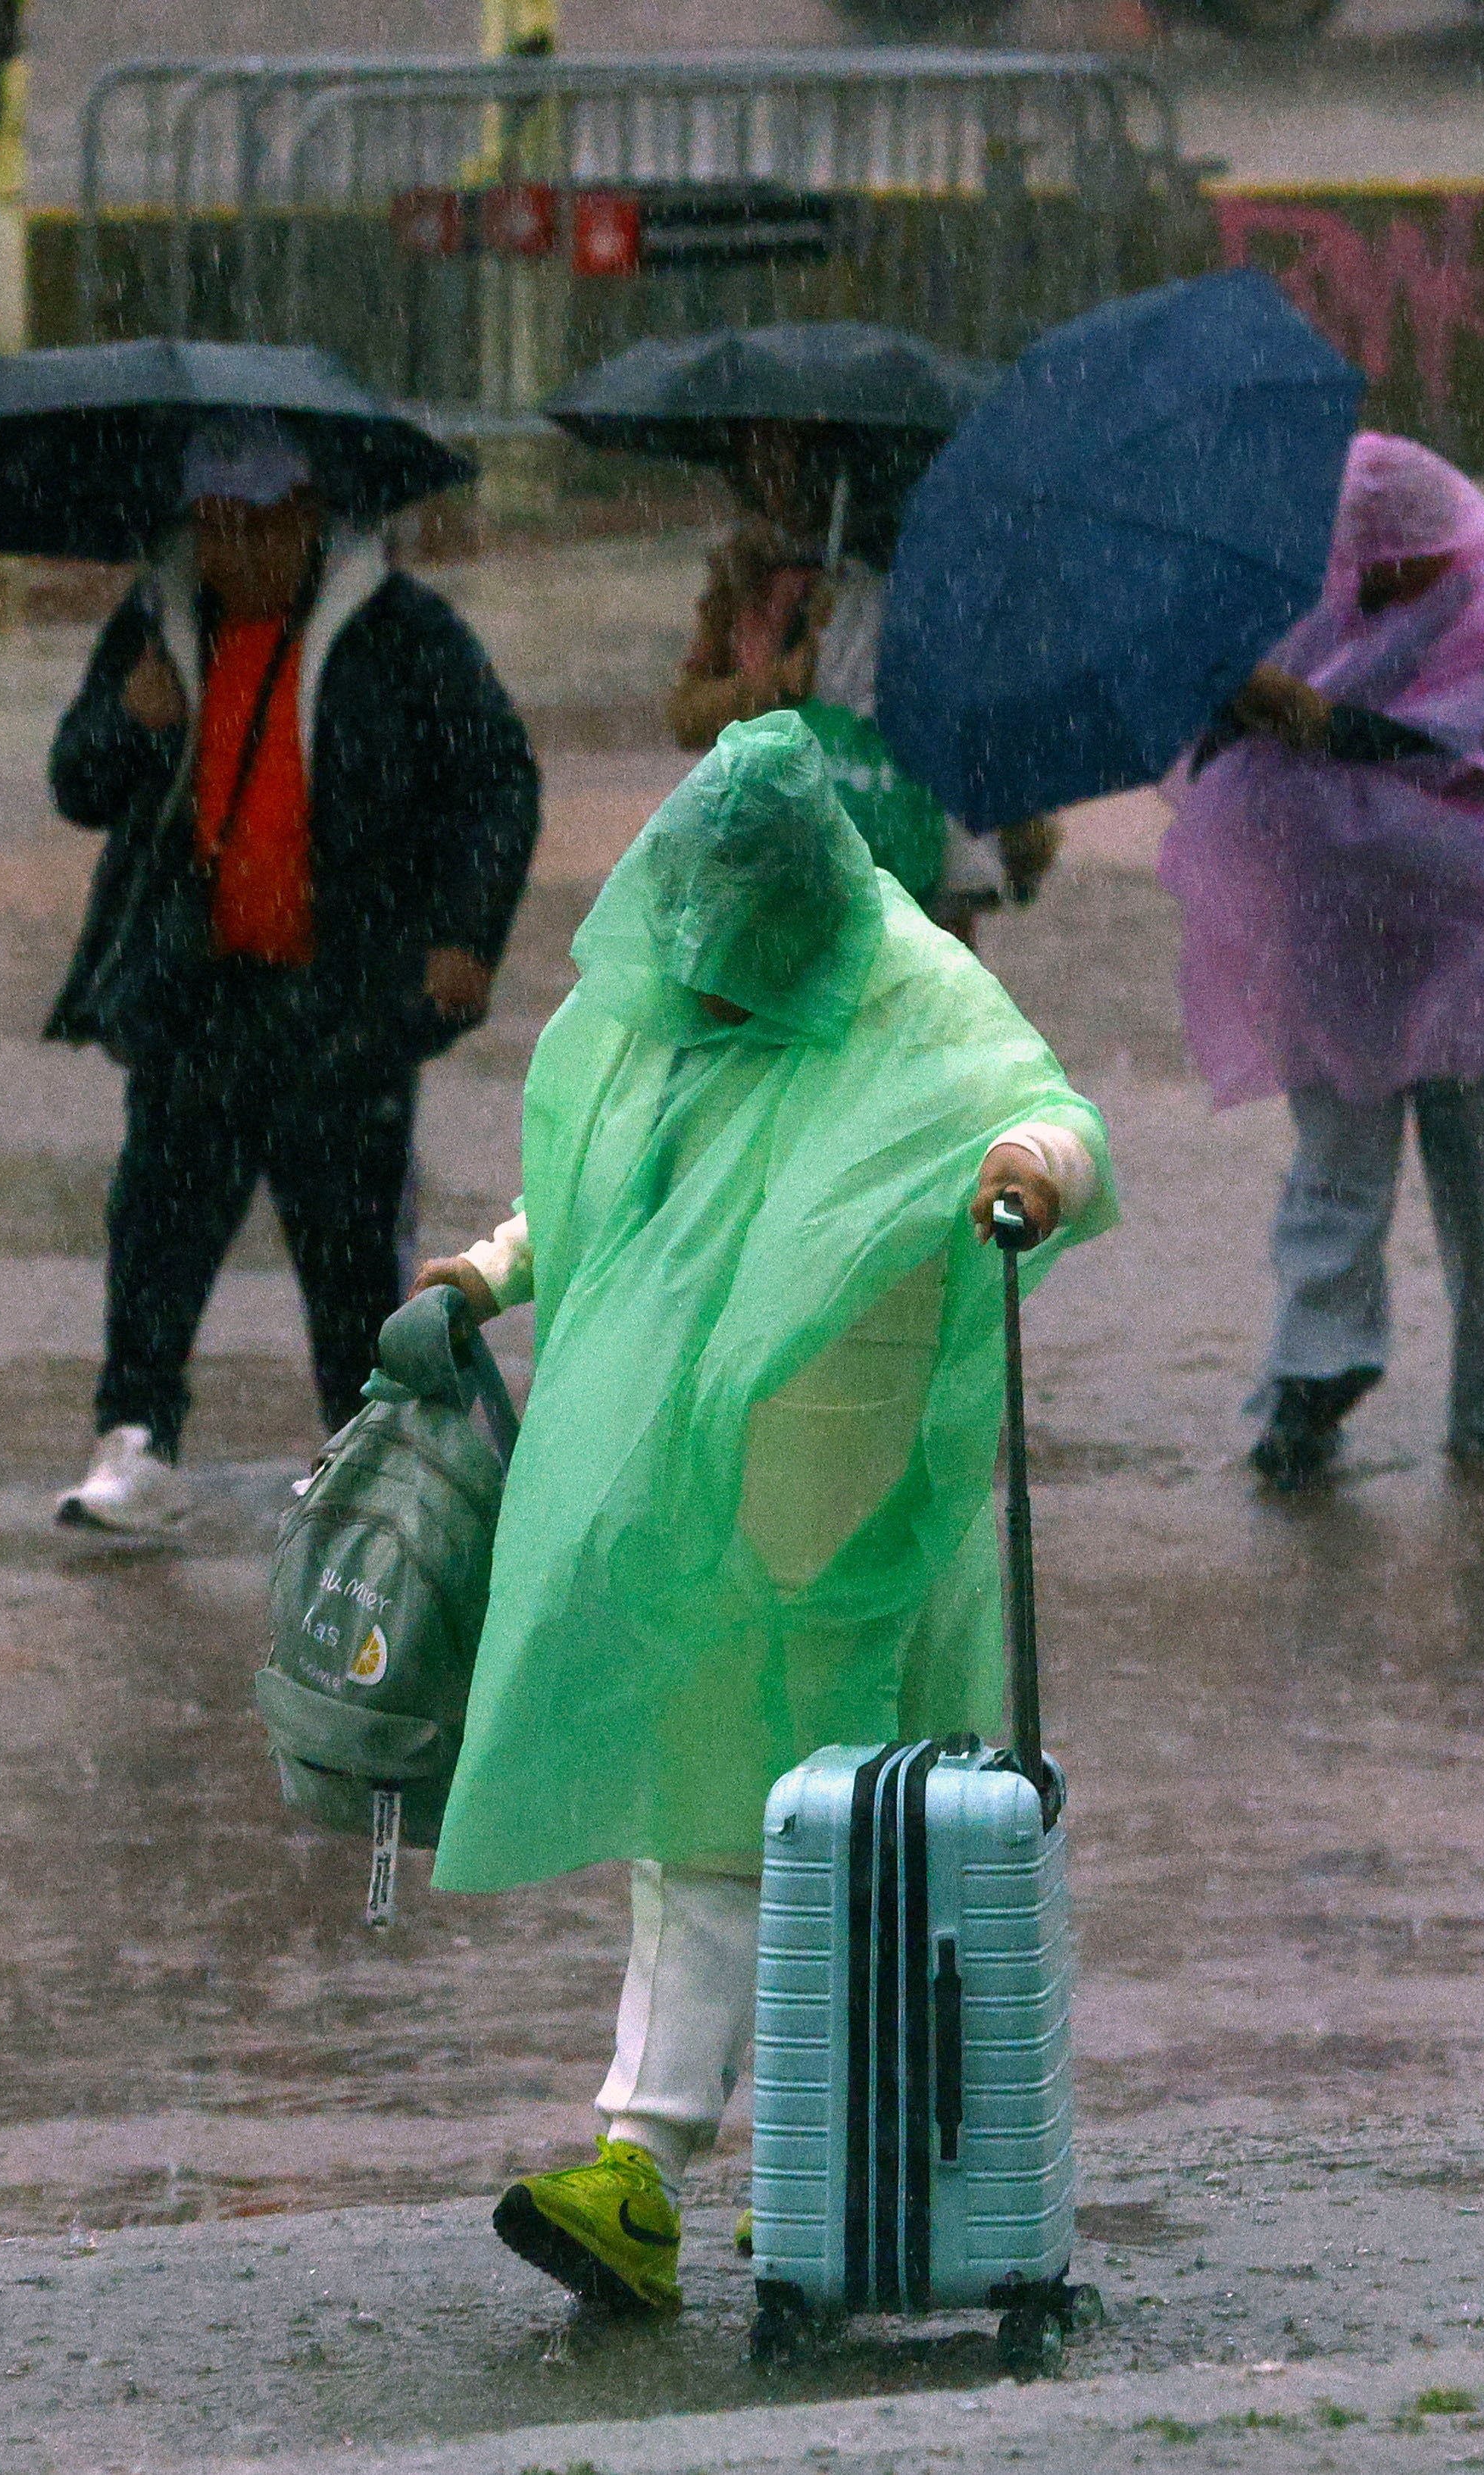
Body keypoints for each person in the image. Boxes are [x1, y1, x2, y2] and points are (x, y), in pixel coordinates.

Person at [407, 712, 1112, 2316]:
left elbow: (1046, 1108)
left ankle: (761, 2166)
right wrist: (482, 1273)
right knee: (721, 1819)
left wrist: (1023, 1167)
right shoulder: (674, 989)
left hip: (856, 1496)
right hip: (693, 1487)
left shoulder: (911, 992)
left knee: (816, 1830)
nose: (705, 981)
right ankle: (700, 2163)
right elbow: (598, 1178)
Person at [48, 411, 541, 1531]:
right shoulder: (155, 630)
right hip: (193, 992)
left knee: (351, 1244)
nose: (241, 553)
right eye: (217, 527)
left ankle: (363, 1459)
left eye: (265, 526)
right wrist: (129, 724)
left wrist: (464, 936)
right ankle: (134, 1441)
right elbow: (76, 783)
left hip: (348, 997)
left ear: (315, 519)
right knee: (159, 1230)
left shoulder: (404, 633)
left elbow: (498, 782)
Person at [1163, 435, 1484, 1494]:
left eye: (1385, 560)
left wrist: (1326, 722)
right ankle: (1313, 1378)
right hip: (1344, 929)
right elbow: (1236, 731)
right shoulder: (1325, 597)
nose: (1370, 581)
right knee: (1336, 1157)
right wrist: (1246, 700)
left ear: (1429, 544)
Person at [665, 420, 1057, 942]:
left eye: (784, 451)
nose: (768, 468)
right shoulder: (744, 578)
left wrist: (1020, 842)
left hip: (914, 898)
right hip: (783, 884)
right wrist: (780, 683)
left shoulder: (923, 574)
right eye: (754, 449)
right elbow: (688, 716)